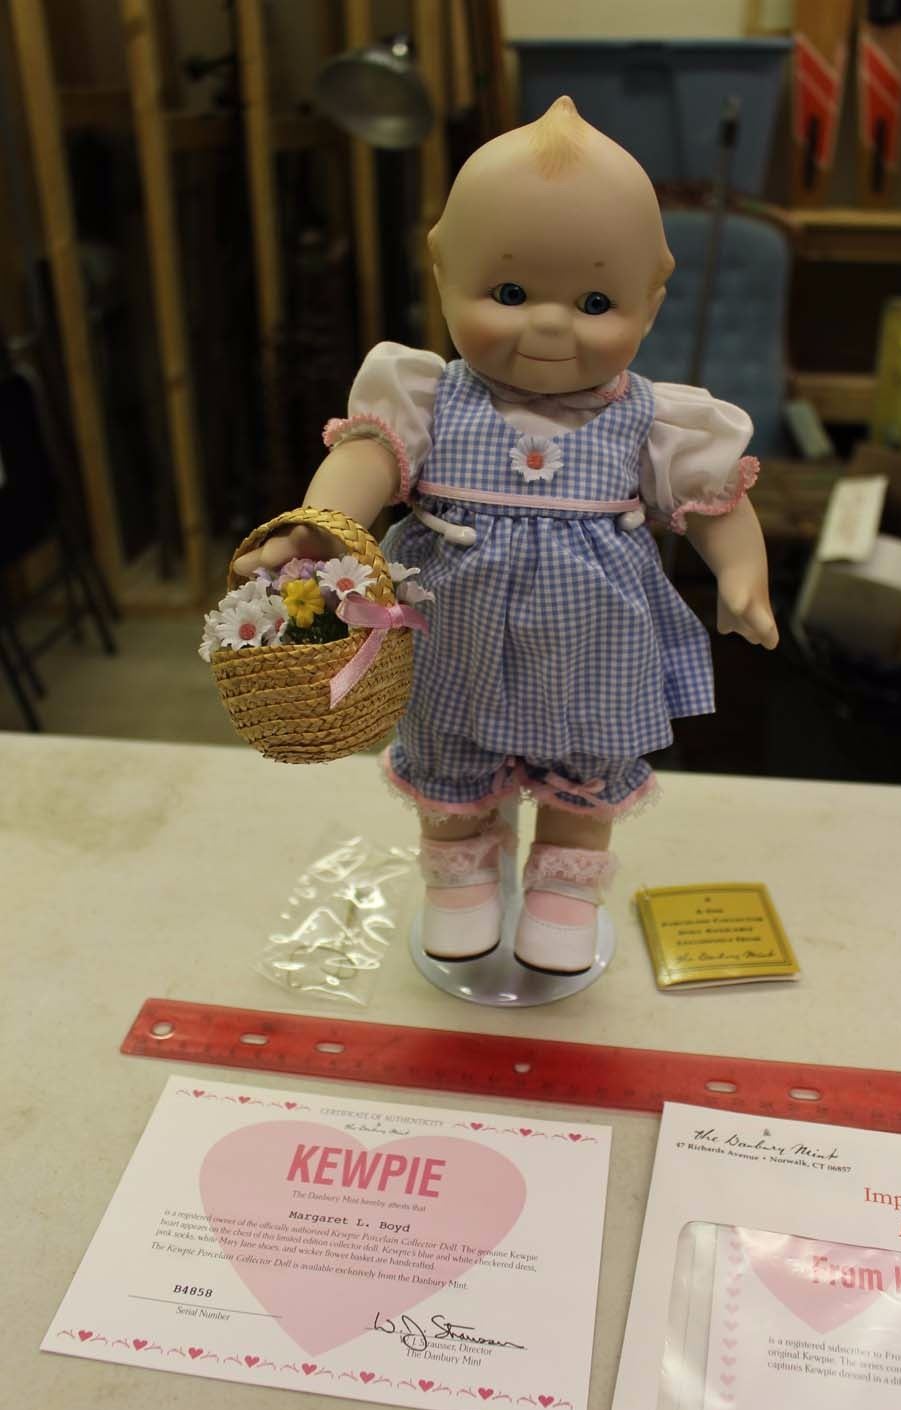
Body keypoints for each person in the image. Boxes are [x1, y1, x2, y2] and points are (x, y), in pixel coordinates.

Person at [235, 96, 777, 977]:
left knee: (588, 766)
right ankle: (459, 879)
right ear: (443, 270)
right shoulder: (427, 396)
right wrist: (321, 525)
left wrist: (743, 576)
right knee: (445, 756)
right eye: (511, 293)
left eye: (596, 301)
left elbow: (714, 500)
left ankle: (565, 891)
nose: (551, 324)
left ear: (652, 300)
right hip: (453, 639)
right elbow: (367, 458)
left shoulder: (654, 418)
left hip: (594, 649)